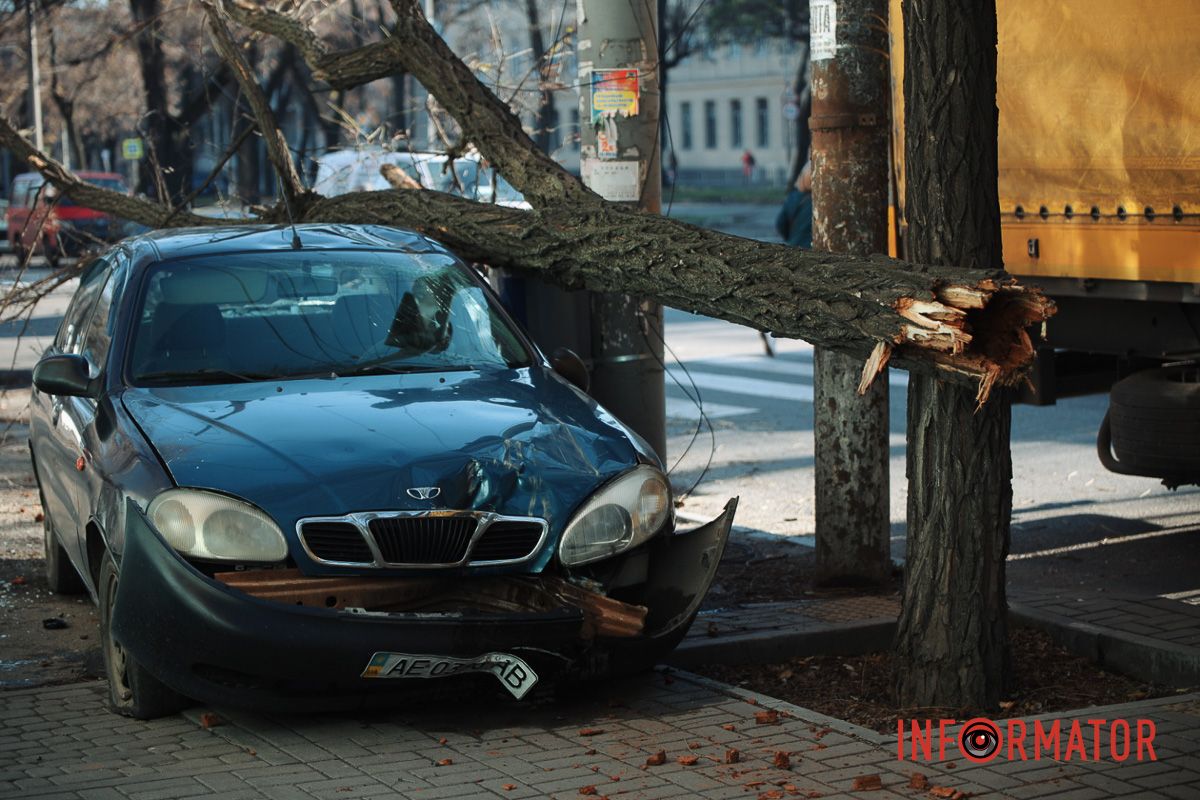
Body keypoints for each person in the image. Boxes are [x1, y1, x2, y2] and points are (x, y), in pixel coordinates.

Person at [759, 162, 813, 356]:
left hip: (793, 252)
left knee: (786, 296)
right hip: (814, 256)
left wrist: (791, 238)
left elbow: (780, 224)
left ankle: (769, 326)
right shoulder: (825, 201)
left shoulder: (795, 199)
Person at [775, 161, 813, 248]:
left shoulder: (794, 197)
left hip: (795, 247)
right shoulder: (827, 202)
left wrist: (792, 238)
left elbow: (781, 224)